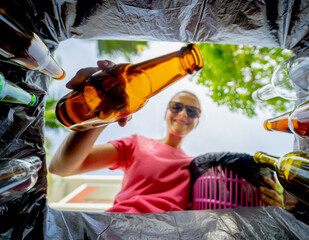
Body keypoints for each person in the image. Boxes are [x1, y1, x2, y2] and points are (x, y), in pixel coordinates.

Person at [49, 60, 284, 213]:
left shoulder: (202, 170)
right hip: (117, 228)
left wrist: (269, 205)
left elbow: (220, 211)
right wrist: (103, 113)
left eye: (191, 111)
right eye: (177, 107)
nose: (183, 114)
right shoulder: (137, 145)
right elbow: (62, 167)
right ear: (166, 112)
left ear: (197, 120)